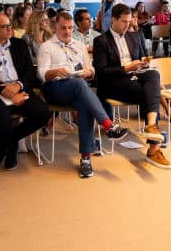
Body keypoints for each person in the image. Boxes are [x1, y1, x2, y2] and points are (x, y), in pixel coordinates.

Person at [37, 12, 129, 178]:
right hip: (55, 89)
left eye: (70, 28)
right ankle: (108, 125)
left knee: (84, 102)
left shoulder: (79, 45)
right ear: (55, 27)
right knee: (80, 86)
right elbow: (41, 74)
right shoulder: (47, 47)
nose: (67, 31)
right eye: (63, 28)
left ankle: (86, 159)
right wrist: (56, 71)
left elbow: (91, 69)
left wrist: (89, 72)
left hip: (78, 88)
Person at [92, 4, 171, 169]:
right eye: (124, 21)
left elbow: (140, 58)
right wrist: (126, 68)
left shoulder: (134, 36)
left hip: (135, 76)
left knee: (153, 75)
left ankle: (150, 125)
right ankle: (153, 149)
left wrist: (143, 63)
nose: (127, 25)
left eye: (129, 21)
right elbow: (101, 72)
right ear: (113, 20)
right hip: (113, 82)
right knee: (151, 93)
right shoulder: (101, 40)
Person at [0, 13, 52, 172]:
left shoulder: (19, 44)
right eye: (5, 26)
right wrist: (10, 93)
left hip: (20, 88)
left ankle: (8, 141)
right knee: (1, 118)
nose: (9, 29)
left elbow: (29, 71)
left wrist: (18, 86)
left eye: (9, 25)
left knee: (43, 113)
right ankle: (12, 147)